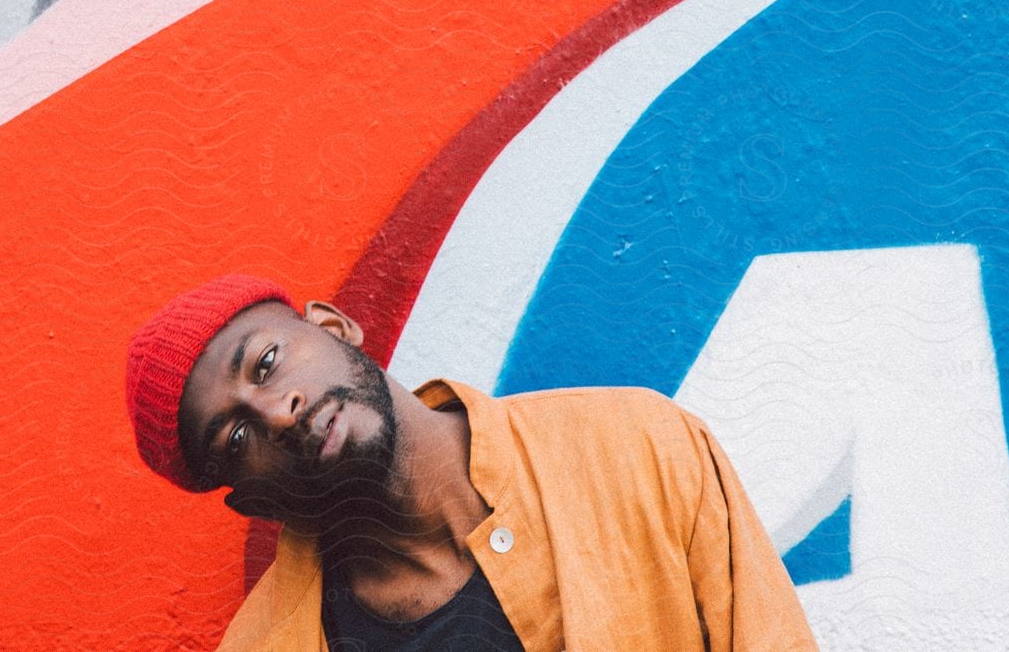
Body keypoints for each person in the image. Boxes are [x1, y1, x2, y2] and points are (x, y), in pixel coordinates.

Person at [125, 274, 819, 652]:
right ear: (252, 503)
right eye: (237, 440)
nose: (278, 411)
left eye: (268, 362)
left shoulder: (635, 447)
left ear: (334, 326)